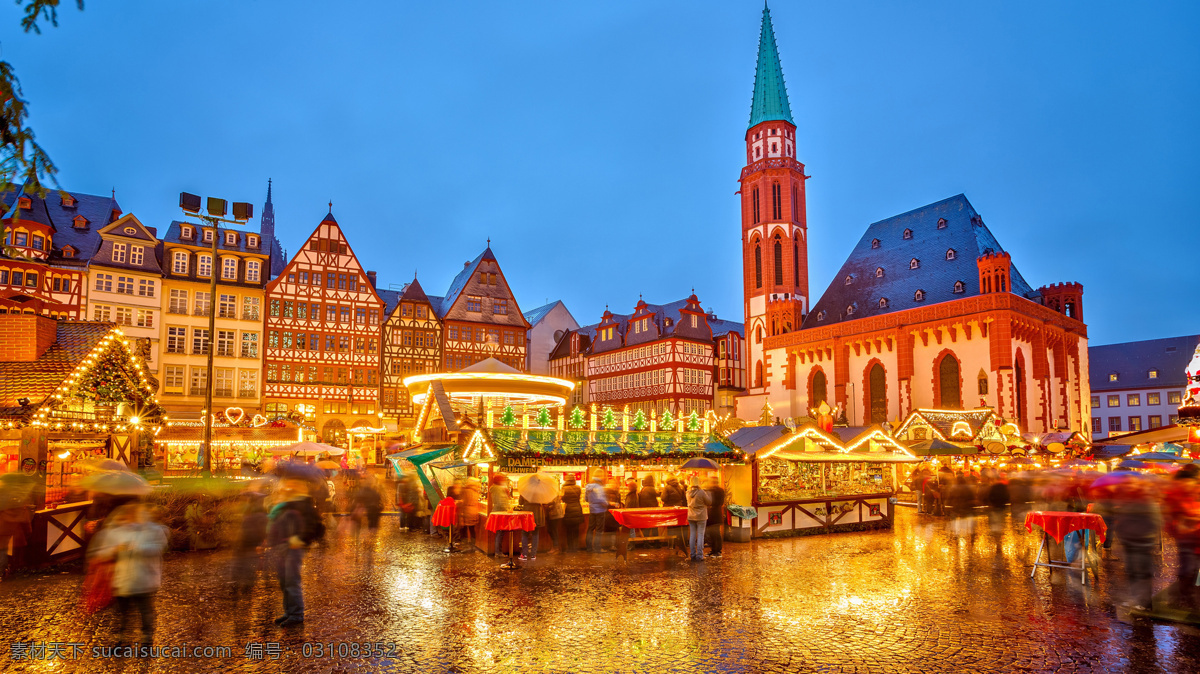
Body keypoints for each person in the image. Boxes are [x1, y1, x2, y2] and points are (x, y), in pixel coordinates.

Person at [91, 503, 169, 646]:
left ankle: (146, 641)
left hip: (144, 580)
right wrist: (114, 551)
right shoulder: (116, 531)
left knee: (145, 612)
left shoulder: (152, 530)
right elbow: (102, 552)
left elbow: (158, 547)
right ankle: (121, 641)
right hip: (122, 581)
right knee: (121, 613)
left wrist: (135, 548)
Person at [267, 479, 315, 627]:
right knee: (284, 581)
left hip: (292, 548)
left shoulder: (299, 506)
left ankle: (296, 614)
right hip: (281, 547)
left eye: (288, 489)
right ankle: (288, 611)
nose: (285, 491)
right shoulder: (285, 506)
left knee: (292, 581)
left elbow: (311, 526)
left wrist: (299, 539)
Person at [1113, 478, 1163, 611]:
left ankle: (1145, 603)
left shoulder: (1146, 500)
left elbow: (1154, 522)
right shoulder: (1127, 500)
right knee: (1131, 571)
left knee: (1142, 573)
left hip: (1142, 543)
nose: (1128, 486)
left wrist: (1144, 537)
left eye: (1131, 484)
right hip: (1129, 542)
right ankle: (1135, 599)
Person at [1163, 464, 1200, 610]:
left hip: (1197, 536)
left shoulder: (1196, 492)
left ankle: (1185, 595)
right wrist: (1179, 524)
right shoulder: (1174, 494)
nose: (1187, 484)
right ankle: (1184, 597)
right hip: (1185, 538)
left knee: (1194, 567)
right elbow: (1169, 516)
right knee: (1188, 568)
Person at [232, 491, 267, 592]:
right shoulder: (257, 511)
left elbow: (259, 529)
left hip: (248, 544)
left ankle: (241, 589)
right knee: (246, 567)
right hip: (248, 544)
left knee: (243, 567)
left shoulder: (254, 512)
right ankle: (244, 589)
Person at [686, 477, 711, 561]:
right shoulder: (701, 492)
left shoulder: (688, 492)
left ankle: (692, 554)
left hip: (691, 516)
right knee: (700, 535)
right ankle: (700, 555)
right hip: (701, 516)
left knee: (692, 535)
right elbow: (709, 502)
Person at [585, 476, 608, 553]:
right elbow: (601, 499)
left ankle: (588, 547)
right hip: (600, 510)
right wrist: (606, 504)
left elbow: (586, 499)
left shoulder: (588, 488)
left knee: (590, 529)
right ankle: (597, 547)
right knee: (599, 530)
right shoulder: (599, 488)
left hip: (592, 510)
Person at [561, 475, 583, 552]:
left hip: (568, 510)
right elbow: (579, 497)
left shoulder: (564, 488)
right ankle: (576, 548)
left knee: (569, 531)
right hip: (577, 509)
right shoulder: (578, 488)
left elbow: (563, 499)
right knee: (576, 531)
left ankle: (570, 548)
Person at [518, 496, 545, 560]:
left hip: (527, 512)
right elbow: (543, 501)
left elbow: (520, 502)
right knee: (535, 534)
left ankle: (524, 554)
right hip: (537, 513)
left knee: (525, 533)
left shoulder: (525, 490)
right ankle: (533, 555)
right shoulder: (540, 491)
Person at [705, 477, 726, 557]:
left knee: (716, 533)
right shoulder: (710, 490)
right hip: (710, 514)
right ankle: (713, 550)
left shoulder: (719, 491)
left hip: (715, 514)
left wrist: (711, 504)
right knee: (711, 534)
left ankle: (718, 551)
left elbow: (720, 502)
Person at [458, 478, 482, 549]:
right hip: (474, 512)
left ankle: (465, 546)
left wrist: (461, 515)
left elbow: (463, 502)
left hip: (467, 512)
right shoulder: (476, 491)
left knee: (464, 530)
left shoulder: (465, 491)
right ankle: (472, 547)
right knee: (472, 530)